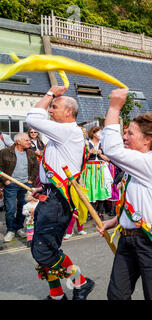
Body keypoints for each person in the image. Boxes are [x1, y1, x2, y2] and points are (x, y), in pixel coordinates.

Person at [97, 88, 152, 300]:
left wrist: (115, 107)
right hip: (128, 240)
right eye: (124, 132)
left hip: (149, 240)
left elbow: (112, 149)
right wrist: (116, 220)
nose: (124, 137)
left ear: (148, 140)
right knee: (117, 296)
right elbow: (137, 201)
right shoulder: (137, 165)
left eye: (129, 133)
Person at [26, 85, 94, 300]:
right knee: (45, 247)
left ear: (68, 112)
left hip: (57, 201)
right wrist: (43, 187)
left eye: (54, 107)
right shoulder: (60, 135)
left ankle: (81, 282)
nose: (50, 110)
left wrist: (50, 94)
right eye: (51, 106)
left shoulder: (68, 130)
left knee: (44, 249)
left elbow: (33, 118)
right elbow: (56, 167)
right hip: (50, 196)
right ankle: (56, 295)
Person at [0, 133, 39, 242]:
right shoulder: (5, 152)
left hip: (26, 185)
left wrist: (31, 180)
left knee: (23, 208)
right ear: (18, 142)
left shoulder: (31, 153)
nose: (29, 142)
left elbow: (35, 167)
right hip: (11, 185)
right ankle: (11, 230)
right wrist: (5, 181)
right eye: (26, 140)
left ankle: (19, 228)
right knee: (10, 209)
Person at [79, 126, 113, 220]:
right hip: (89, 169)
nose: (101, 135)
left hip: (101, 169)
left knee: (101, 190)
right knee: (90, 190)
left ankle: (100, 213)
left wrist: (100, 153)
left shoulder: (103, 144)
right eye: (99, 133)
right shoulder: (86, 143)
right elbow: (81, 157)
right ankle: (91, 213)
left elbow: (109, 159)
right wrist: (89, 152)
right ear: (93, 133)